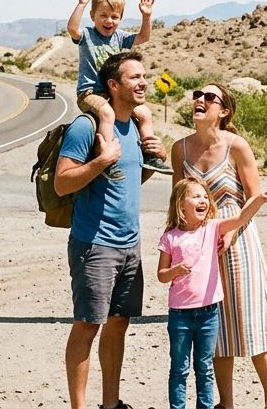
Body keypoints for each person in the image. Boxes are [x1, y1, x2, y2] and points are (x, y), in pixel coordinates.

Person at [55, 51, 168, 409]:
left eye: (144, 76)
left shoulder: (134, 127)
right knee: (88, 325)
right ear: (113, 85)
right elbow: (62, 183)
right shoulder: (85, 128)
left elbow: (129, 178)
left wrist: (155, 159)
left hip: (130, 245)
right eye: (134, 77)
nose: (143, 82)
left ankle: (110, 404)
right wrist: (101, 160)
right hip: (95, 244)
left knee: (118, 324)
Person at [170, 84, 267, 409]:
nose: (200, 101)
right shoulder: (180, 148)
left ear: (224, 111)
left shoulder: (237, 146)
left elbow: (254, 195)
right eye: (197, 95)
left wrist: (233, 230)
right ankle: (226, 403)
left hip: (239, 238)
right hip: (202, 243)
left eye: (209, 98)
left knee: (251, 315)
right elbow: (178, 199)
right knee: (215, 325)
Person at [157, 178, 267, 409]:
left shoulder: (212, 228)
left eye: (205, 196)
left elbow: (241, 219)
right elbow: (161, 275)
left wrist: (259, 200)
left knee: (204, 367)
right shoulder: (170, 237)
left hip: (209, 314)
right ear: (181, 205)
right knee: (179, 368)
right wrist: (175, 270)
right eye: (196, 197)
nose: (203, 200)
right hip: (180, 315)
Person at [66, 0, 169, 176]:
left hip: (115, 93)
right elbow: (72, 29)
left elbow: (143, 37)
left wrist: (146, 16)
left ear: (120, 19)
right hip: (90, 93)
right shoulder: (87, 35)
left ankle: (150, 155)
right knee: (106, 114)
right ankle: (108, 158)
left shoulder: (119, 37)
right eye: (103, 15)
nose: (109, 21)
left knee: (145, 113)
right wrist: (81, 3)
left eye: (115, 17)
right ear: (93, 15)